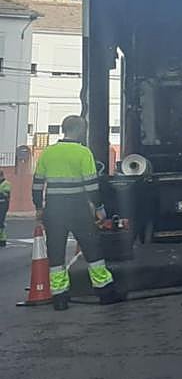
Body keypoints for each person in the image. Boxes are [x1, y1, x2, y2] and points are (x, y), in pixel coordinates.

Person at [32, 116, 118, 309]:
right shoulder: (83, 152)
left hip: (54, 209)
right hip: (77, 208)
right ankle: (104, 291)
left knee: (56, 253)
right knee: (92, 249)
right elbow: (91, 185)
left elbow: (37, 184)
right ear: (80, 130)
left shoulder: (48, 153)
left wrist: (39, 207)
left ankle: (60, 297)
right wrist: (99, 208)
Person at [0, 169, 10, 247]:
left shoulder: (6, 183)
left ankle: (2, 239)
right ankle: (2, 239)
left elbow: (6, 193)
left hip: (3, 205)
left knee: (1, 221)